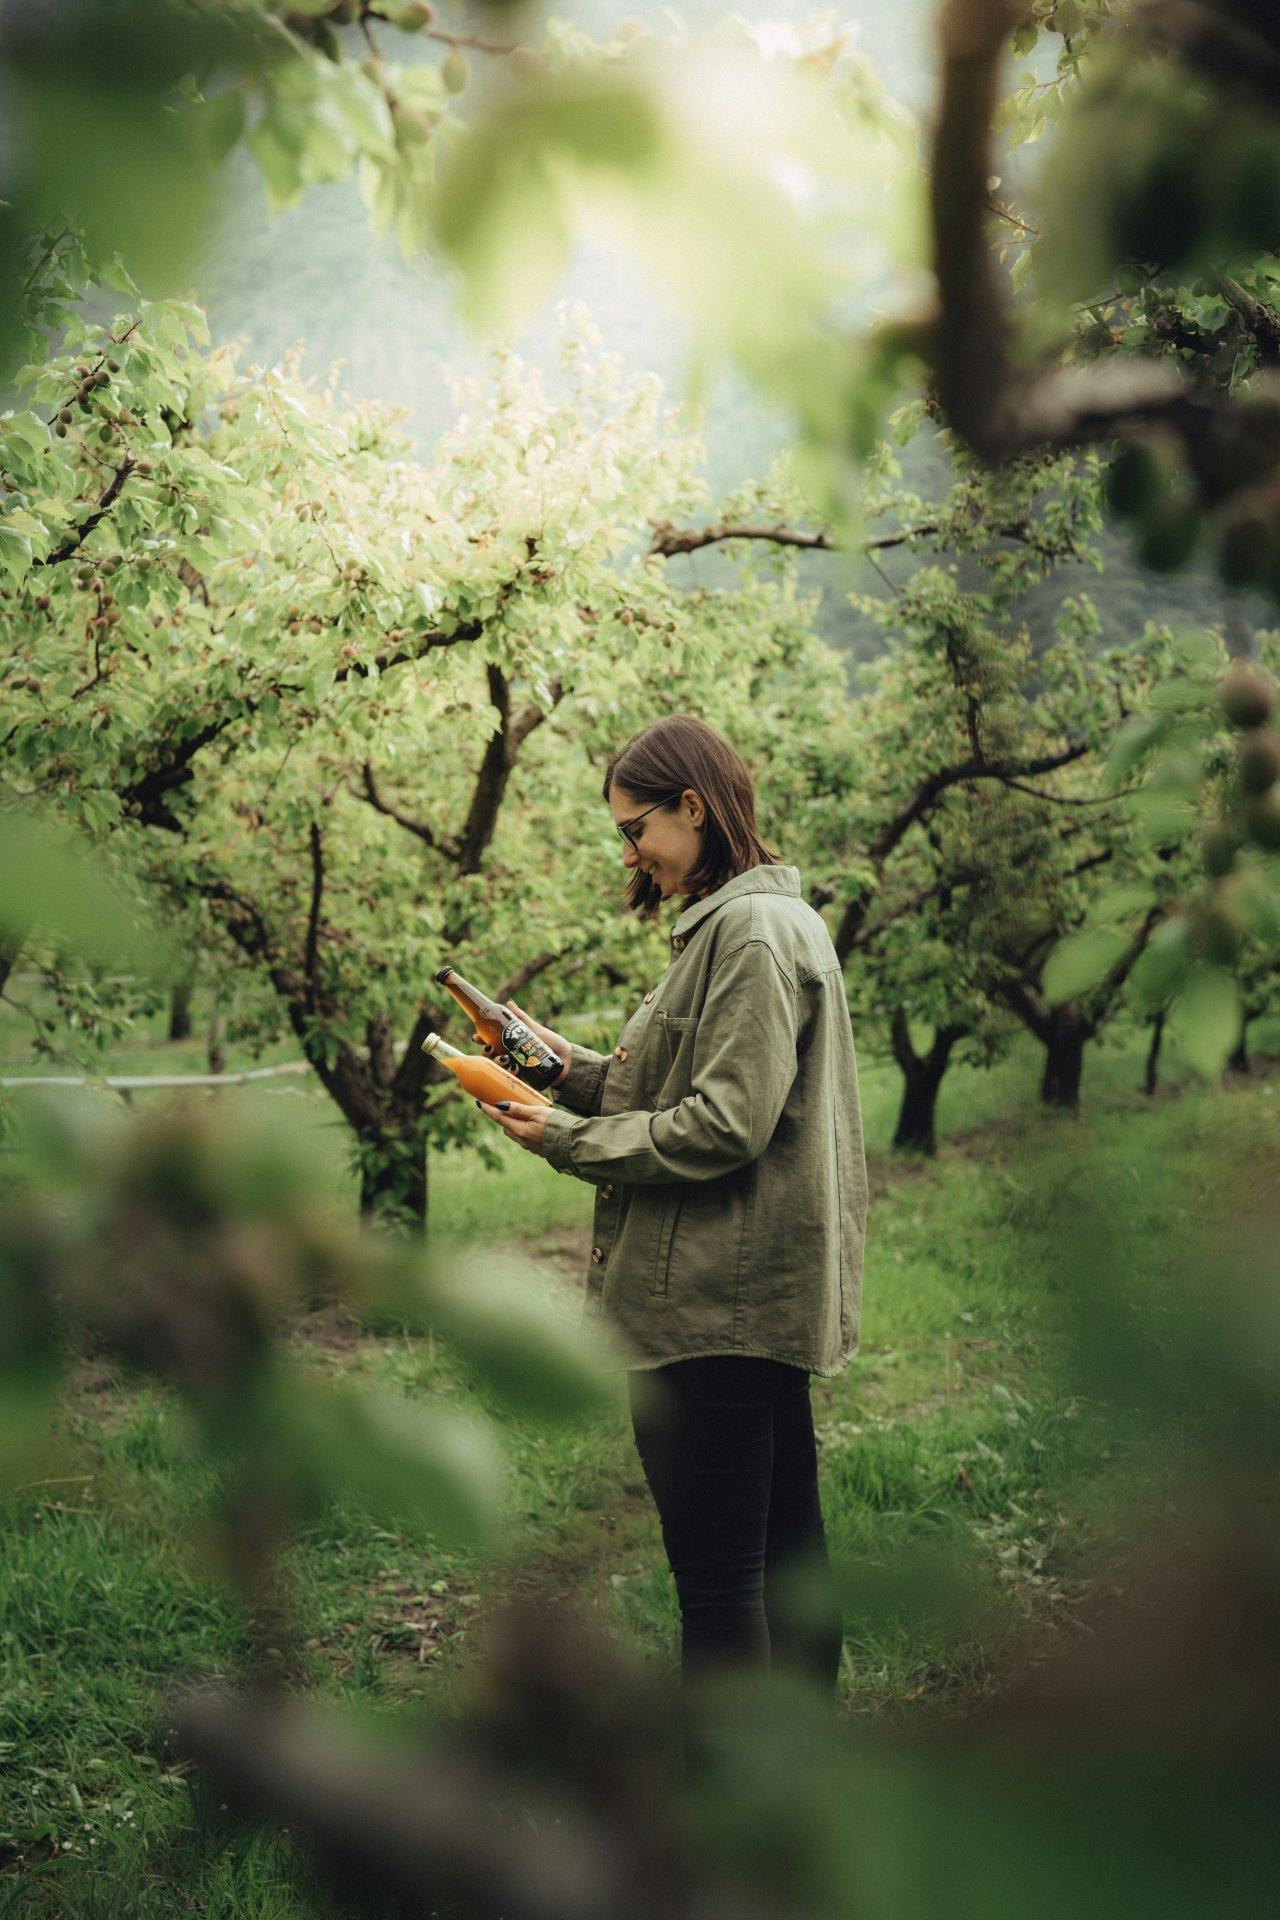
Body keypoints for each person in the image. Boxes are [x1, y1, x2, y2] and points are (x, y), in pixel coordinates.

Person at [475, 714, 868, 1700]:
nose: (630, 853)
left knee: (723, 1590)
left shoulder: (747, 933)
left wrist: (565, 1143)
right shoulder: (758, 923)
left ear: (691, 808)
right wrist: (532, 1056)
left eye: (633, 827)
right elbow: (655, 1082)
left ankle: (731, 1818)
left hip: (711, 1308)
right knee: (782, 1563)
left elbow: (722, 1123)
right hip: (745, 1302)